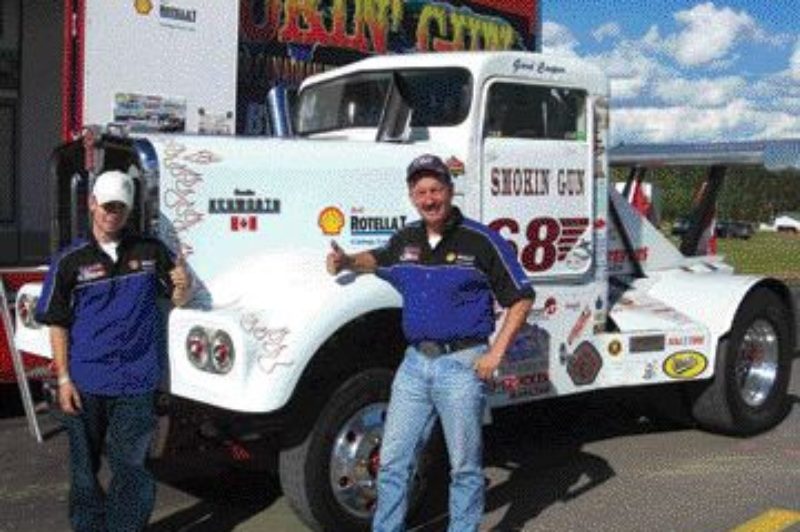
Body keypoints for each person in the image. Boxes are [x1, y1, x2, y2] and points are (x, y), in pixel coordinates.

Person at [326, 154, 534, 531]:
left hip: (461, 365)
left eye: (436, 189)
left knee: (465, 468)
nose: (429, 199)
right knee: (392, 463)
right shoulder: (407, 239)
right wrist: (345, 261)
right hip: (414, 366)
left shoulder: (481, 240)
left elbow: (521, 296)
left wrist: (497, 351)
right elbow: (379, 259)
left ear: (450, 191)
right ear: (412, 196)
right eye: (420, 192)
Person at [35, 170, 192, 532]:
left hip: (137, 382)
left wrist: (183, 286)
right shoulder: (69, 261)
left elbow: (177, 297)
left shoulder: (151, 251)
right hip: (86, 381)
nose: (111, 214)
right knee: (84, 471)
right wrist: (63, 379)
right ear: (92, 204)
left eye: (119, 207)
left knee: (131, 469)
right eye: (106, 205)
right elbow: (57, 323)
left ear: (128, 210)